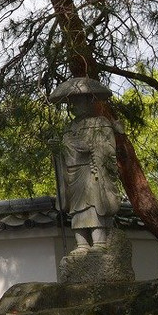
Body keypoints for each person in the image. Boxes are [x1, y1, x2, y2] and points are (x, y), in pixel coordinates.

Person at [50, 77, 121, 248]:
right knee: (76, 210)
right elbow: (64, 152)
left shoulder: (101, 123)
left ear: (89, 101)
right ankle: (81, 244)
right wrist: (56, 150)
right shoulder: (69, 127)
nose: (72, 106)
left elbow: (110, 150)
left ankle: (99, 242)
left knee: (94, 206)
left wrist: (91, 147)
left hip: (92, 171)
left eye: (77, 101)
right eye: (71, 102)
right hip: (73, 175)